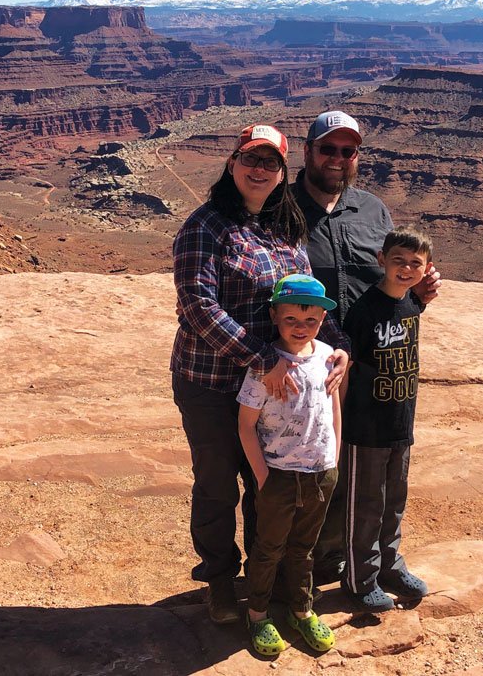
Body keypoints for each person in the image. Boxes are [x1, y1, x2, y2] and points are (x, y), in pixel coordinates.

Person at [170, 124, 348, 625]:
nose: (258, 170)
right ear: (232, 164)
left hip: (273, 389)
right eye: (250, 159)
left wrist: (338, 347)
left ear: (280, 173)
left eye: (270, 163)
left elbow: (307, 298)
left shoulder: (283, 228)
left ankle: (262, 583)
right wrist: (261, 357)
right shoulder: (204, 226)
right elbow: (198, 306)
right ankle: (222, 581)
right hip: (210, 383)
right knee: (217, 485)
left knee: (265, 485)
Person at [291, 110, 441, 585]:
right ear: (309, 151)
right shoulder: (281, 207)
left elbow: (392, 283)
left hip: (373, 369)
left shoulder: (374, 210)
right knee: (312, 472)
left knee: (377, 473)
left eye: (347, 151)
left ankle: (375, 563)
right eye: (328, 149)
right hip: (310, 366)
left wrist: (418, 293)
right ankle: (306, 568)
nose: (337, 159)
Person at [237, 273, 341, 656]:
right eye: (291, 320)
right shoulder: (264, 366)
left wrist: (334, 456)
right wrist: (263, 477)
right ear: (275, 316)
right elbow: (246, 425)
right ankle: (258, 614)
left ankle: (301, 608)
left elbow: (333, 409)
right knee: (268, 549)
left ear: (321, 319)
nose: (301, 328)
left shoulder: (328, 357)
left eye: (310, 320)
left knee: (304, 548)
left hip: (319, 474)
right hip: (279, 476)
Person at [342, 226, 433, 612]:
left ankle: (390, 568)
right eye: (398, 260)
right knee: (366, 505)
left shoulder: (412, 305)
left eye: (416, 263)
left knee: (394, 501)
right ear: (382, 260)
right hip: (365, 428)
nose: (406, 268)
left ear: (427, 268)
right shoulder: (363, 311)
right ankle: (359, 578)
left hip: (400, 424)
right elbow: (346, 367)